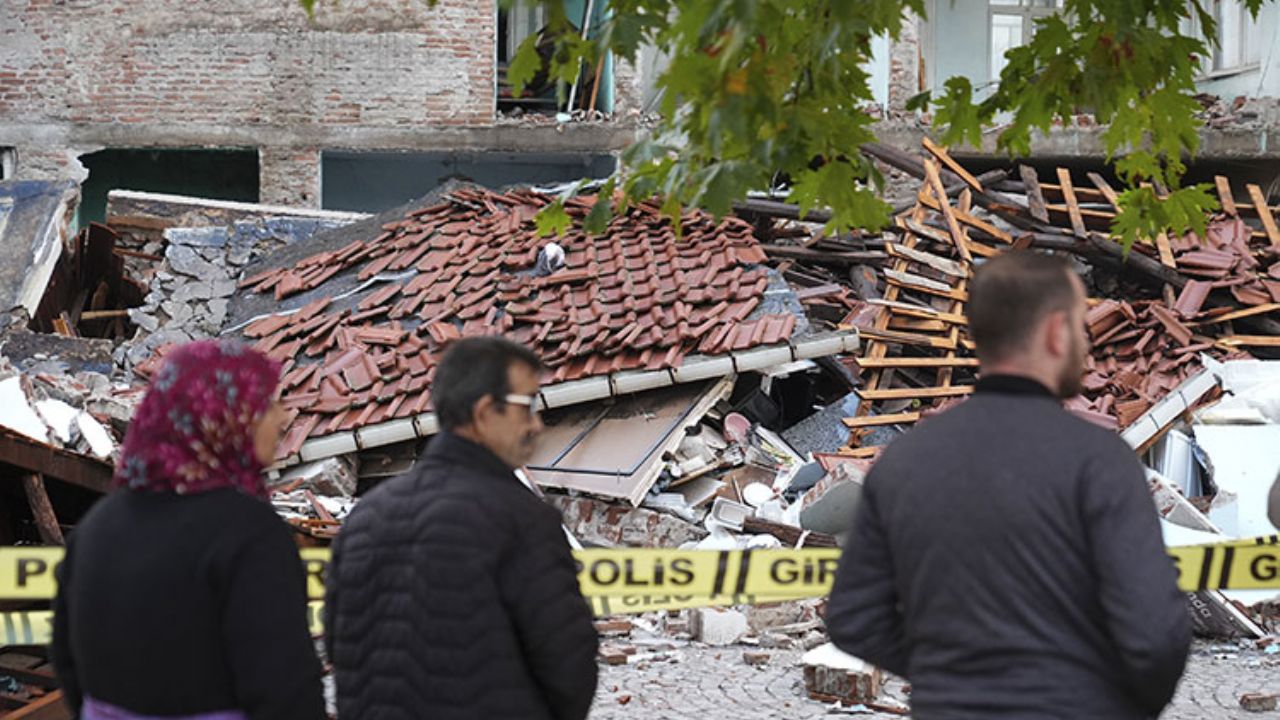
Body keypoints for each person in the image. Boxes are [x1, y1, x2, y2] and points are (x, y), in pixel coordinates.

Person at [826, 252, 1190, 719]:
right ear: (1055, 332)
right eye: (1080, 327)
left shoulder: (904, 461)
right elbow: (1155, 632)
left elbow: (854, 618)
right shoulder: (1099, 461)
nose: (1086, 344)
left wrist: (950, 676)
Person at [326, 336, 598, 720]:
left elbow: (341, 648)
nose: (537, 425)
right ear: (485, 412)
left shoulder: (365, 519)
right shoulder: (521, 519)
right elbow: (569, 662)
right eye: (528, 406)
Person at [51, 340, 326, 719]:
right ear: (221, 416)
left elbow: (67, 661)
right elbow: (285, 690)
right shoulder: (249, 534)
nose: (281, 418)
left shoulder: (96, 526)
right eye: (265, 404)